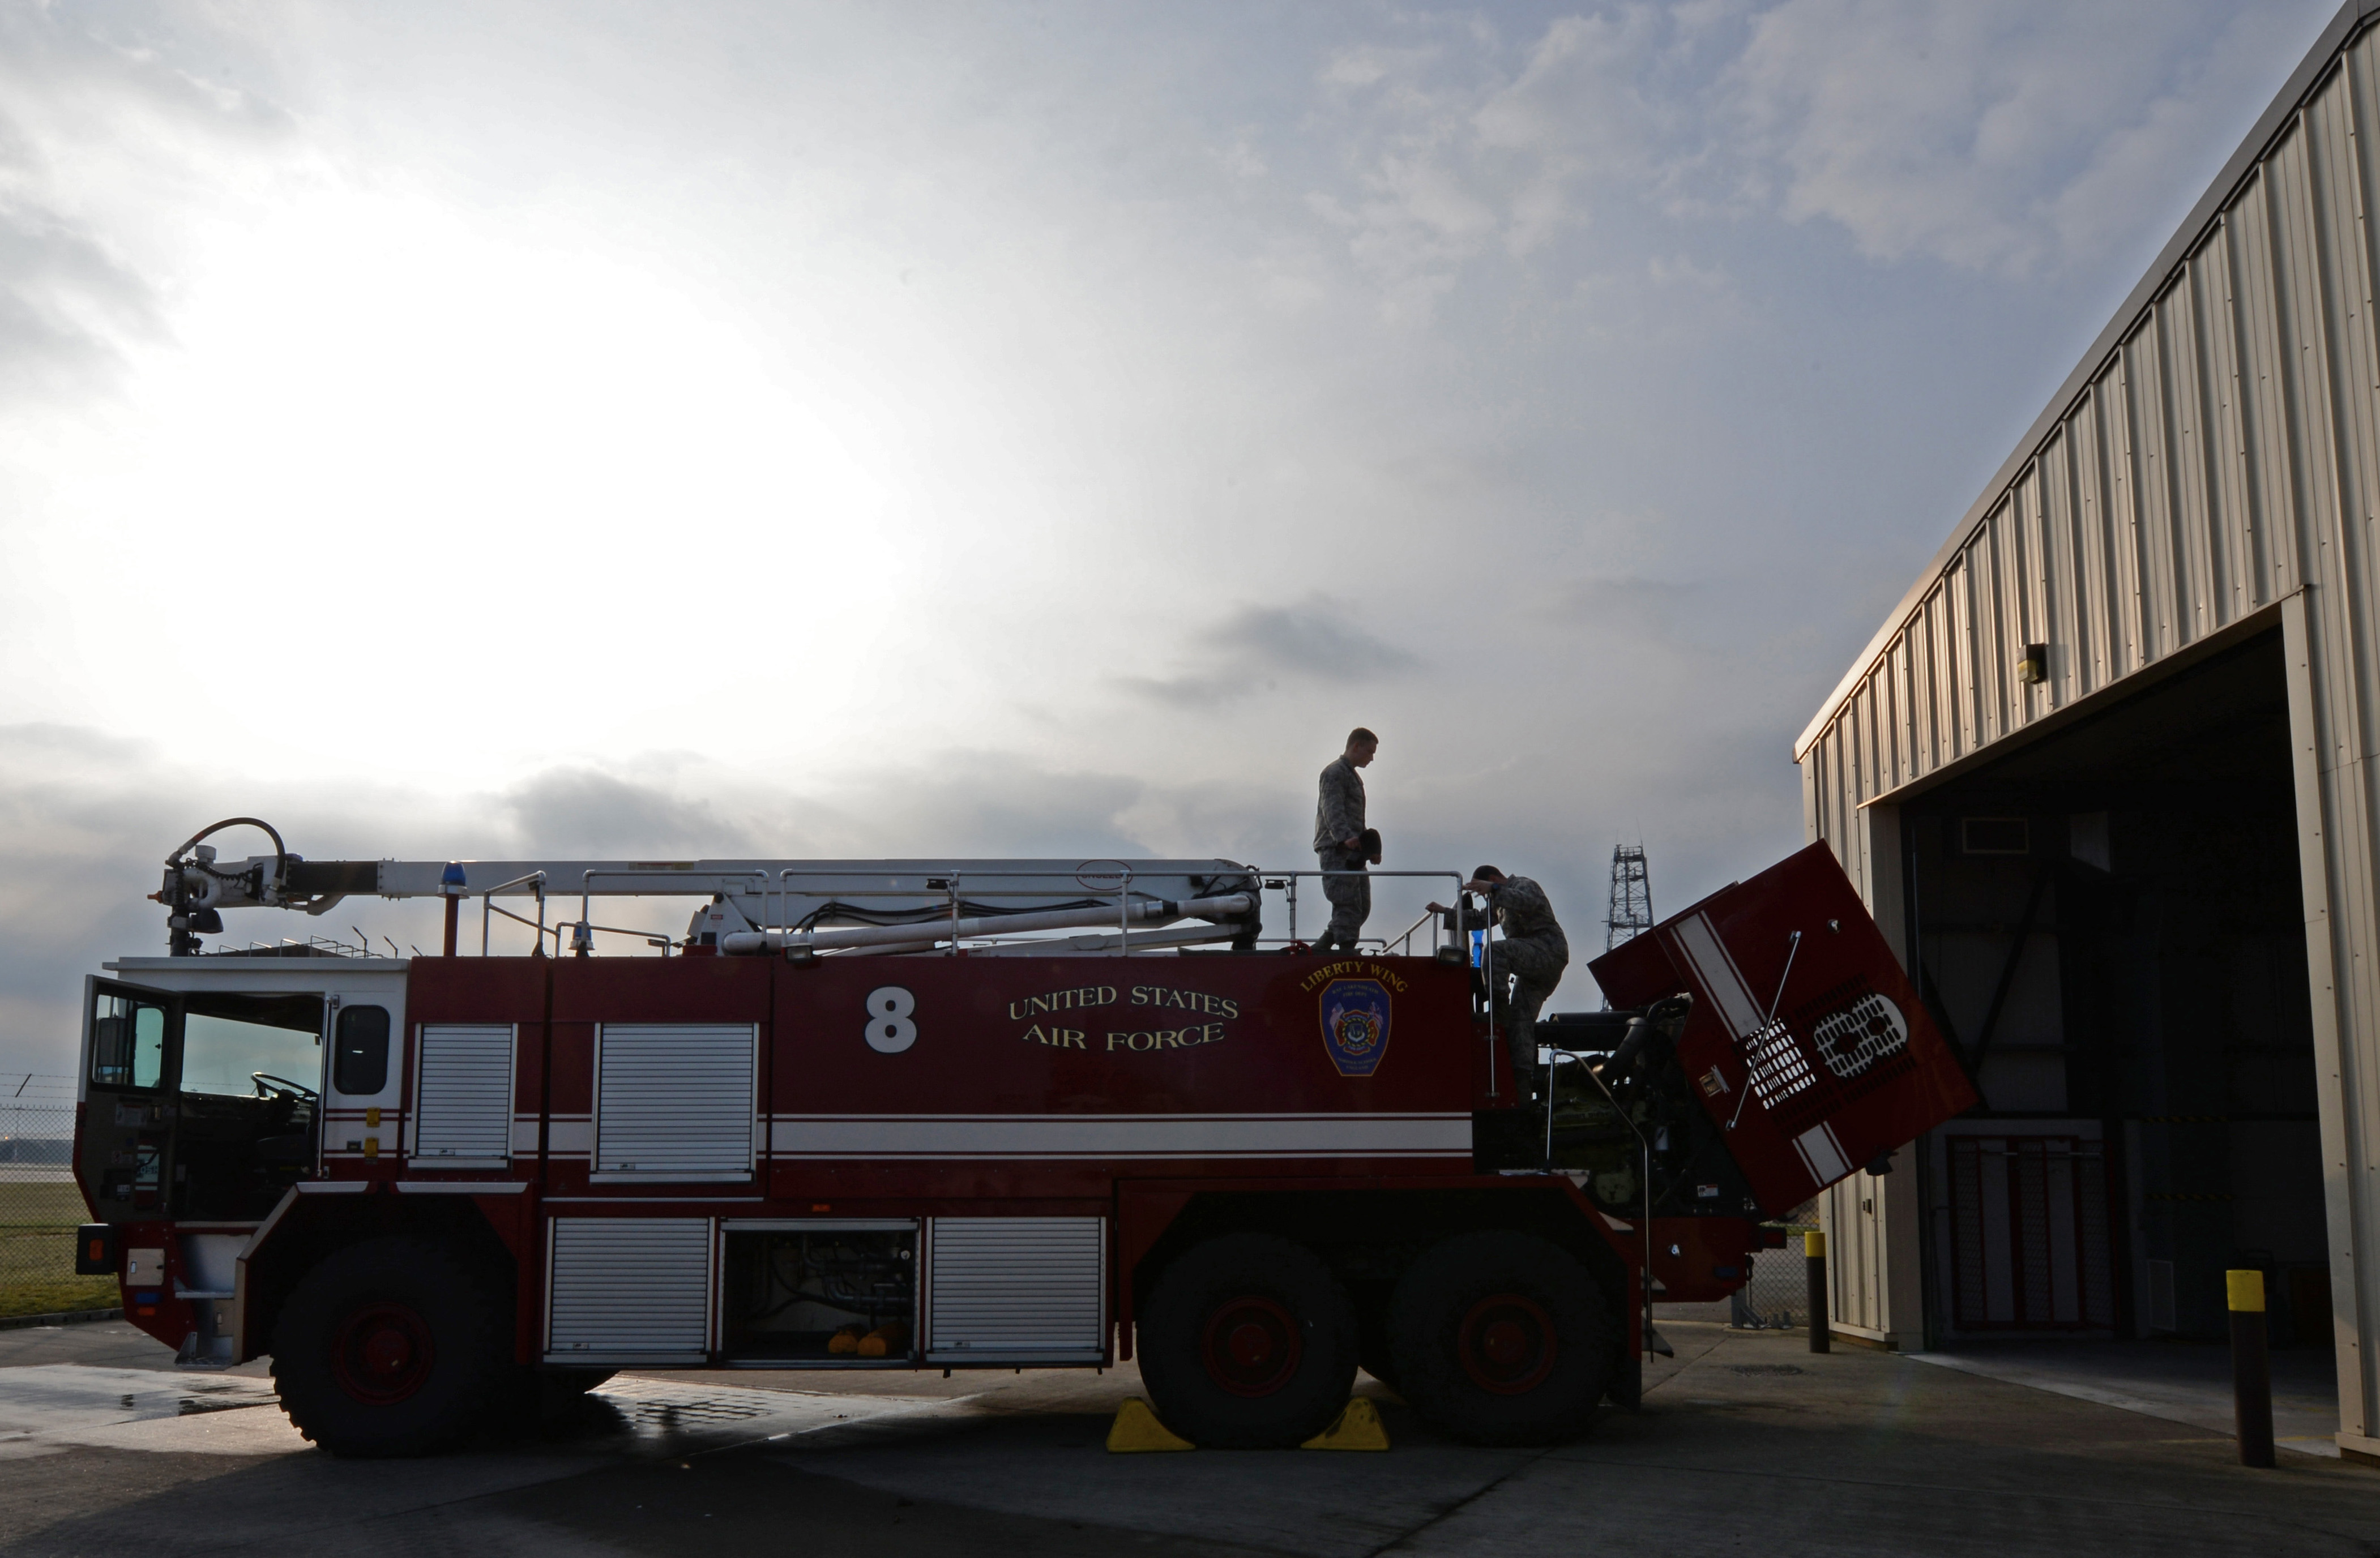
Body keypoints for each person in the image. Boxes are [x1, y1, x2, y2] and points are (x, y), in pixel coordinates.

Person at [1429, 866, 1567, 1092]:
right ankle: (1521, 1081)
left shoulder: (1523, 885)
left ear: (1493, 879)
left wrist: (1493, 889)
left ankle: (1499, 1008)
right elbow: (1481, 919)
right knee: (1520, 1024)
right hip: (1530, 964)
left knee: (1494, 952)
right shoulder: (1499, 898)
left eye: (1482, 891)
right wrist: (1446, 912)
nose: (1483, 897)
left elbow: (1529, 903)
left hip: (1546, 951)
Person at [1311, 728, 1378, 952]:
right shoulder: (1334, 773)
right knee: (1346, 903)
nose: (1372, 758)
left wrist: (1369, 848)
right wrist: (1344, 837)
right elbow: (1333, 808)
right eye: (1369, 751)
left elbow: (1355, 819)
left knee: (1362, 906)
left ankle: (1324, 946)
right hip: (1336, 849)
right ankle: (1345, 952)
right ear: (1356, 746)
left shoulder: (1351, 775)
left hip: (1353, 851)